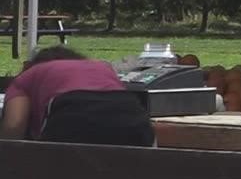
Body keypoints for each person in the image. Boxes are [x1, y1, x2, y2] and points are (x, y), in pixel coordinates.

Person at [1, 46, 154, 145]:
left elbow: (13, 127)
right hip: (133, 118)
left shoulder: (27, 76)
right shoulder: (100, 67)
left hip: (72, 113)